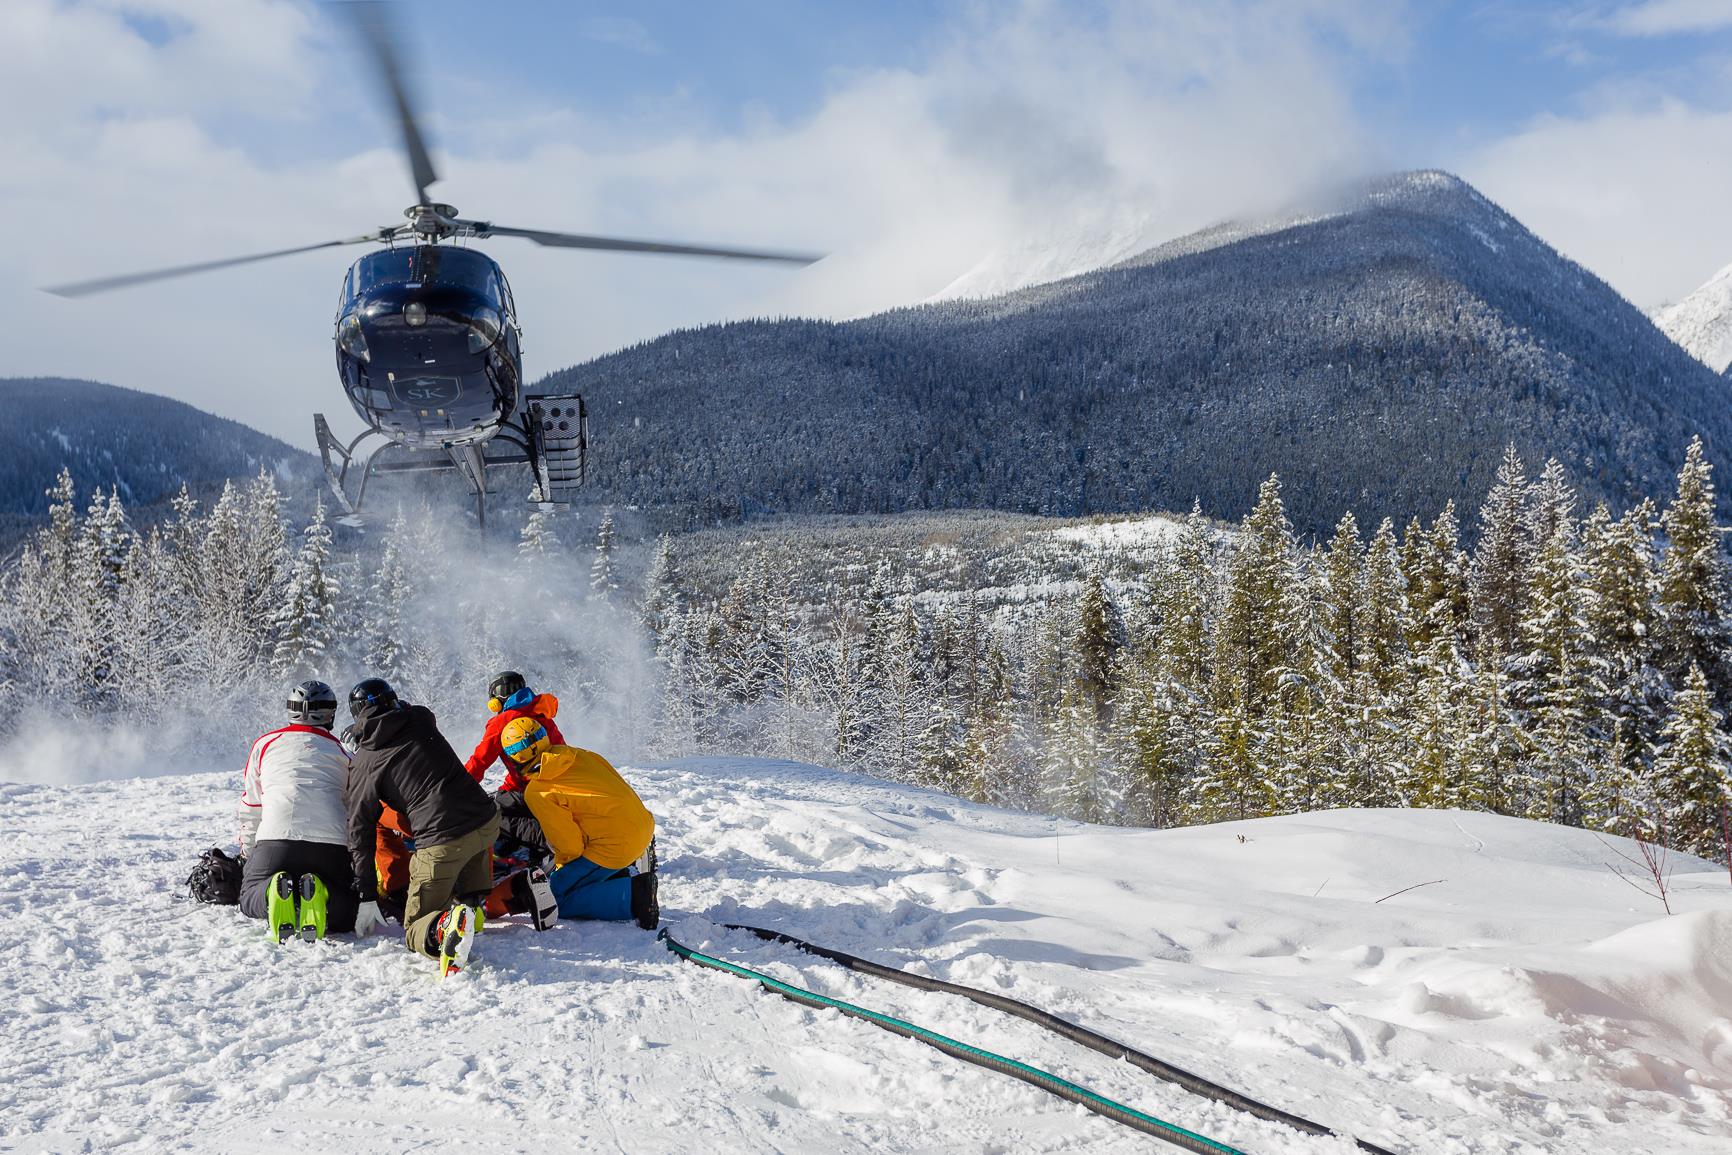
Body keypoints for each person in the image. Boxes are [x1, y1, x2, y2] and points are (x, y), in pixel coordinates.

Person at [344, 677, 501, 974]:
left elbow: (359, 827)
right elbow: (412, 711)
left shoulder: (366, 760)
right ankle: (471, 903)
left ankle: (444, 929)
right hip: (486, 821)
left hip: (445, 840)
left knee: (415, 927)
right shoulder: (419, 718)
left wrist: (366, 894)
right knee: (468, 845)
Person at [500, 717, 658, 929]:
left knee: (554, 899)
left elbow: (570, 846)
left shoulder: (538, 791)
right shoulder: (580, 755)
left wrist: (560, 872)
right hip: (642, 824)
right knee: (578, 876)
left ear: (513, 758)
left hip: (616, 845)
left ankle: (635, 896)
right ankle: (614, 878)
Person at [237, 680, 358, 942]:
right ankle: (322, 894)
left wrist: (249, 855)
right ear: (330, 714)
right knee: (348, 909)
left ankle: (270, 893)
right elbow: (352, 810)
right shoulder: (344, 753)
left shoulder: (265, 744)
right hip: (329, 846)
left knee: (248, 896)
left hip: (274, 842)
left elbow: (251, 806)